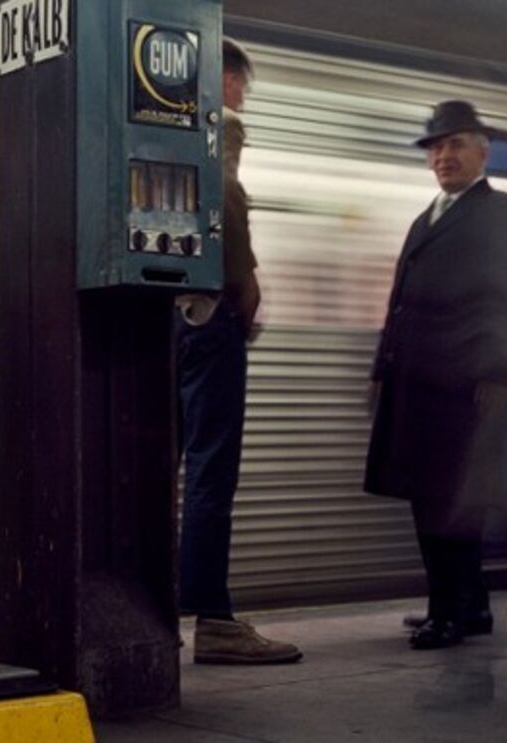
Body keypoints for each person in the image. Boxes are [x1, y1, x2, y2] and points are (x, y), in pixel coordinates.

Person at [364, 100, 507, 650]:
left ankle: (450, 610)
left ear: (482, 151)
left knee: (450, 500)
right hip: (416, 382)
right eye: (436, 147)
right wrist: (381, 368)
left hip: (466, 384)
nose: (444, 155)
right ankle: (471, 604)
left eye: (456, 143)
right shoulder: (427, 216)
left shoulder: (506, 213)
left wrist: (502, 372)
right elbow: (399, 302)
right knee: (432, 497)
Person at [174, 37, 301, 665]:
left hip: (165, 322)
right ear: (220, 80)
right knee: (210, 468)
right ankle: (215, 621)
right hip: (208, 319)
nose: (241, 97)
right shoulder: (215, 124)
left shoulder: (152, 127)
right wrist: (245, 280)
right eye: (238, 82)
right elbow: (223, 201)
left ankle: (153, 609)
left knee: (165, 470)